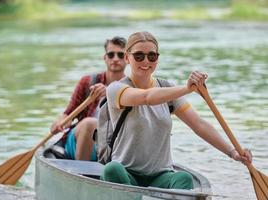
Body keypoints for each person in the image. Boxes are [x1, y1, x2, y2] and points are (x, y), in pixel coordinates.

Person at [101, 31, 252, 190]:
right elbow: (147, 97)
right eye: (139, 56)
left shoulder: (168, 88)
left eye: (152, 56)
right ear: (127, 58)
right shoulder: (116, 89)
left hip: (159, 176)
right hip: (125, 173)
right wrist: (187, 89)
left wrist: (233, 152)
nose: (146, 61)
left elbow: (199, 125)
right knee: (112, 169)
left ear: (157, 59)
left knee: (183, 178)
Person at [50, 36, 127, 161]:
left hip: (113, 145)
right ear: (105, 58)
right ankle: (81, 172)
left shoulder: (131, 88)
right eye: (111, 54)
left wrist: (109, 94)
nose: (116, 59)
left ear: (128, 58)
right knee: (90, 123)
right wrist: (59, 123)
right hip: (81, 139)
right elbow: (68, 113)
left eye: (120, 55)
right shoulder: (88, 82)